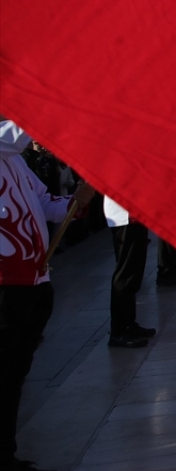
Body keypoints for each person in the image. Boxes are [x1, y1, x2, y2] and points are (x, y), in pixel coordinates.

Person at [2, 117, 95, 471]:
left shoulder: (17, 162)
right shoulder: (5, 147)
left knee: (15, 373)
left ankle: (5, 450)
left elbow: (49, 206)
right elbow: (16, 132)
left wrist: (76, 200)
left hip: (34, 280)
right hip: (5, 282)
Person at [102, 196, 157, 347]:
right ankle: (119, 331)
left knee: (134, 270)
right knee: (125, 272)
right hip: (124, 213)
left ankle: (129, 322)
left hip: (135, 211)